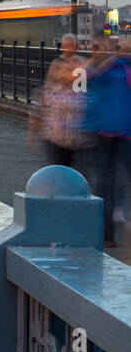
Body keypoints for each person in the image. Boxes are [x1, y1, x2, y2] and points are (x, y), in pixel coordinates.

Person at [82, 38, 131, 247]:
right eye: (121, 48)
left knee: (119, 181)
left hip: (126, 133)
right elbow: (85, 80)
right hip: (103, 131)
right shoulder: (107, 67)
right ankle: (106, 232)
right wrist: (105, 60)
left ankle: (115, 221)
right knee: (105, 182)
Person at [30, 34, 93, 171]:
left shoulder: (81, 64)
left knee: (75, 171)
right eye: (67, 46)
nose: (70, 49)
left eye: (72, 45)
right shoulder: (59, 65)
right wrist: (33, 131)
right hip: (58, 133)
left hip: (76, 133)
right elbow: (44, 97)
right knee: (61, 169)